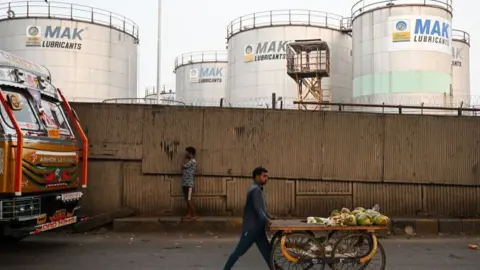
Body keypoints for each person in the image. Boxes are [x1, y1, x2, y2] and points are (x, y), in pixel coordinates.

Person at [223, 167, 273, 269]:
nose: (266, 178)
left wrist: (270, 216)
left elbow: (263, 209)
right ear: (257, 177)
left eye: (267, 176)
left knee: (268, 253)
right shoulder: (255, 190)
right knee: (238, 252)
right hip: (251, 229)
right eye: (264, 176)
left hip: (257, 229)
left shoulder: (258, 189)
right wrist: (267, 221)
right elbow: (258, 209)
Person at [181, 146, 198, 220]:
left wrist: (184, 158)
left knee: (189, 199)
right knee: (187, 199)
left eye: (187, 152)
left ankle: (194, 215)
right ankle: (189, 214)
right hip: (185, 183)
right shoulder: (190, 161)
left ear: (190, 153)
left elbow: (182, 166)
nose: (185, 153)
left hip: (189, 183)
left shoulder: (192, 161)